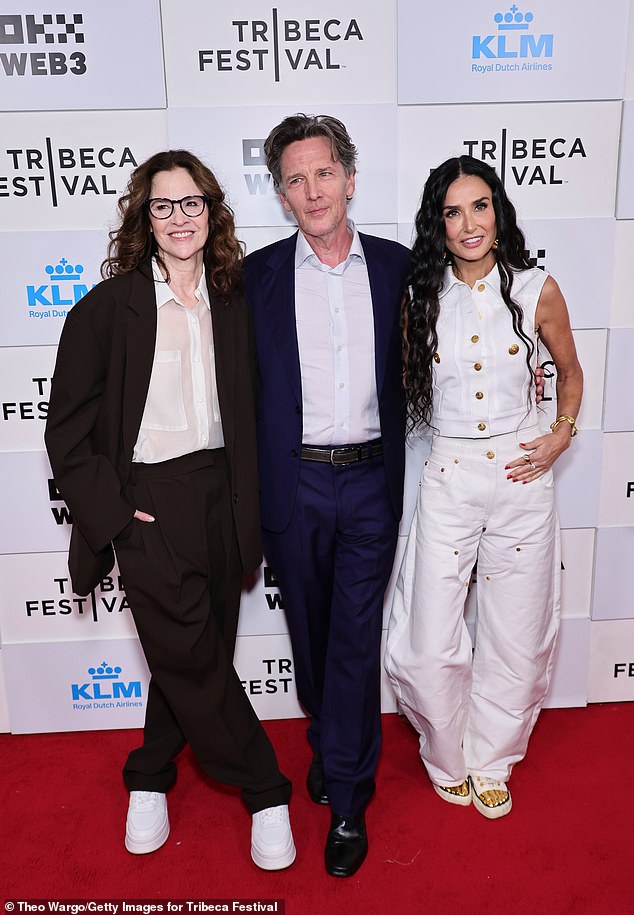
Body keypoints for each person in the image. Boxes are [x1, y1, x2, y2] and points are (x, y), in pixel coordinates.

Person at [45, 149, 295, 869]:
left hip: (226, 492)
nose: (179, 217)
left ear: (211, 212)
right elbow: (66, 430)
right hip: (148, 502)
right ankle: (264, 787)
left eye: (192, 203)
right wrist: (117, 516)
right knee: (190, 651)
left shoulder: (237, 300)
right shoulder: (105, 310)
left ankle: (152, 771)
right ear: (143, 217)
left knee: (197, 654)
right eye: (164, 205)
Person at [385, 155, 583, 819]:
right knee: (430, 629)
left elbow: (572, 373)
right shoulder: (419, 295)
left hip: (522, 475)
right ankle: (446, 754)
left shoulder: (535, 288)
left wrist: (560, 432)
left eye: (480, 206)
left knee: (516, 627)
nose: (468, 223)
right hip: (449, 474)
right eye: (452, 211)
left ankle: (493, 757)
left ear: (498, 213)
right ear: (437, 224)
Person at [242, 114, 411, 876]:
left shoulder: (402, 268)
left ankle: (347, 795)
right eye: (295, 179)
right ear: (281, 193)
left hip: (373, 479)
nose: (312, 191)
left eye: (323, 173)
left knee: (352, 641)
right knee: (311, 641)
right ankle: (328, 736)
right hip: (296, 481)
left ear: (349, 176)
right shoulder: (256, 278)